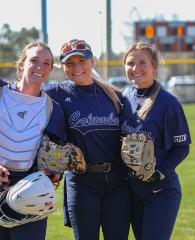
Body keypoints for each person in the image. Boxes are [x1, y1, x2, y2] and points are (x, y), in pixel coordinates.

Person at [46, 39, 131, 240]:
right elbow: (21, 95)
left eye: (81, 61)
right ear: (63, 67)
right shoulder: (55, 94)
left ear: (92, 61)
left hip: (117, 182)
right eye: (69, 63)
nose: (76, 67)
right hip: (82, 182)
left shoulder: (114, 96)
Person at [120, 41, 191, 240]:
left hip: (161, 192)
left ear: (154, 67)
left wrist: (160, 173)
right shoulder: (124, 98)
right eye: (130, 63)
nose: (135, 68)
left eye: (142, 62)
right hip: (132, 191)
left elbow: (182, 147)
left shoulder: (168, 102)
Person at [0, 42, 66, 240]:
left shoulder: (53, 109)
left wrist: (54, 172)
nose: (40, 67)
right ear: (21, 64)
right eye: (34, 60)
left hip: (30, 188)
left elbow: (55, 153)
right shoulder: (2, 92)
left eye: (47, 63)